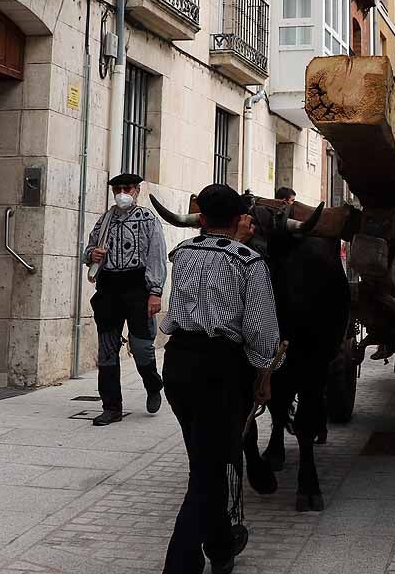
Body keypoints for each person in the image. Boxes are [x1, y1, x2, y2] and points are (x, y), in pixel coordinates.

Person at [160, 184, 281, 574]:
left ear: (202, 217)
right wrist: (264, 376)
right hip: (221, 369)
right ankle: (180, 564)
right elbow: (263, 331)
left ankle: (220, 546)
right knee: (209, 473)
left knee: (205, 462)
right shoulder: (249, 261)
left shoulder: (183, 253)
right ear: (240, 218)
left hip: (177, 364)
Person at [83, 173, 167, 426]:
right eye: (117, 188)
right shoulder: (105, 220)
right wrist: (92, 254)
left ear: (136, 190)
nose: (122, 192)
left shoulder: (148, 219)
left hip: (138, 288)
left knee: (142, 347)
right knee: (107, 349)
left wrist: (155, 291)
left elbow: (157, 255)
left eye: (127, 188)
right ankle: (111, 407)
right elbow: (87, 250)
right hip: (108, 289)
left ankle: (152, 383)